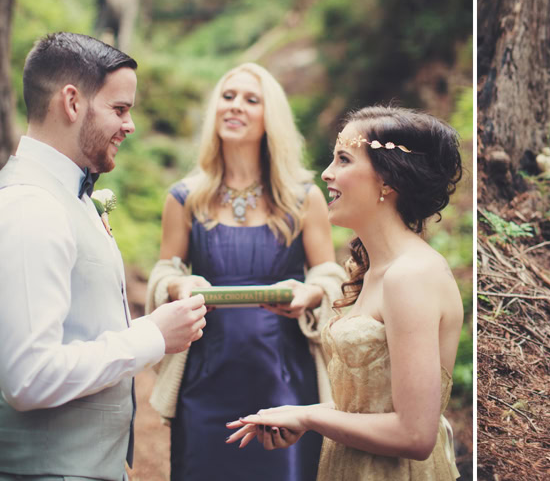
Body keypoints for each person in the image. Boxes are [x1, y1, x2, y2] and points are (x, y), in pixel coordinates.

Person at [0, 32, 207, 481]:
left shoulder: (67, 197)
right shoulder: (31, 207)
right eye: (119, 109)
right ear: (72, 102)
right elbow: (28, 377)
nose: (130, 125)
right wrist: (149, 335)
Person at [225, 105, 464, 481]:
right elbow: (372, 402)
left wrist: (310, 416)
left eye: (343, 159)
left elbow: (415, 434)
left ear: (388, 179)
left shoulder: (411, 276)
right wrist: (299, 416)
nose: (326, 173)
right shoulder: (370, 270)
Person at [145, 63, 344, 481]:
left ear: (271, 117)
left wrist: (310, 294)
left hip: (283, 375)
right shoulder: (184, 197)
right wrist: (181, 283)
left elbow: (328, 273)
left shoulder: (304, 198)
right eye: (228, 96)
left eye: (251, 100)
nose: (235, 106)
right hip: (203, 374)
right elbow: (166, 270)